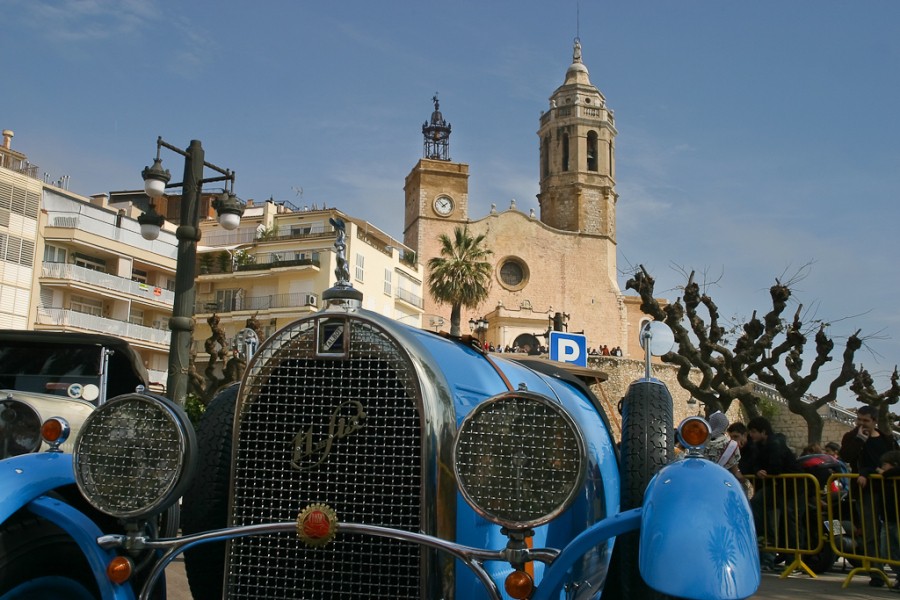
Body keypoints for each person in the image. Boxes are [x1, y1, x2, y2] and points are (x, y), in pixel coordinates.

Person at [840, 405, 900, 587]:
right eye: (858, 419)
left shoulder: (887, 439)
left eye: (865, 420)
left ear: (874, 421)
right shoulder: (851, 437)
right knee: (871, 532)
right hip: (865, 491)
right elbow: (846, 456)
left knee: (892, 532)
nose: (861, 423)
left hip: (889, 491)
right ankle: (877, 572)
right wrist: (859, 440)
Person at [746, 416, 799, 571]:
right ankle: (771, 553)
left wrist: (765, 471)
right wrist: (758, 470)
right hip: (777, 488)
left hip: (790, 488)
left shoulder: (775, 444)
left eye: (754, 432)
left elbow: (776, 466)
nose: (751, 435)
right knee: (764, 511)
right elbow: (754, 463)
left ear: (763, 432)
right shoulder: (758, 446)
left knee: (790, 521)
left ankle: (793, 560)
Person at [703, 411, 744, 485]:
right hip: (721, 483)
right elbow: (736, 472)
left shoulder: (700, 443)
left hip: (702, 481)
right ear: (725, 427)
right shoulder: (731, 445)